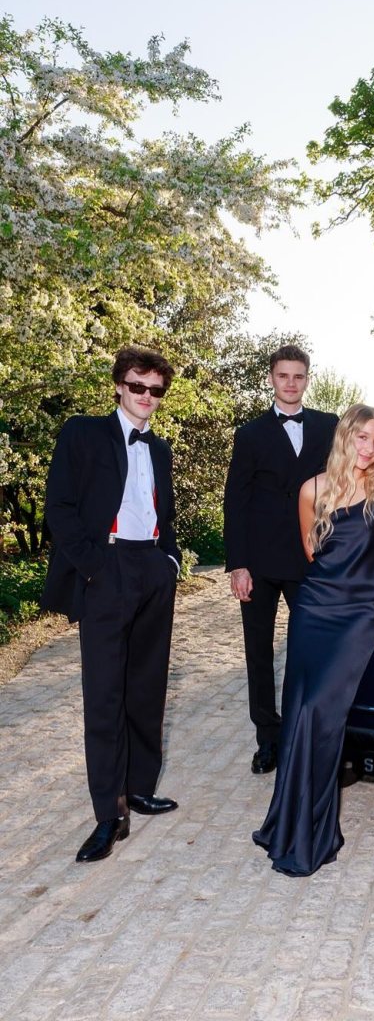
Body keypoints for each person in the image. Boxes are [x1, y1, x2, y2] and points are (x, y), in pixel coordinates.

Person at [223, 344, 374, 776]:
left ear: (307, 379)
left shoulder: (332, 425)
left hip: (316, 562)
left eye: (298, 376)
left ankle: (334, 740)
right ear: (272, 378)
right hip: (260, 558)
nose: (291, 383)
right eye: (283, 376)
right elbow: (234, 501)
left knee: (325, 659)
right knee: (258, 653)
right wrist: (238, 563)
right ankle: (268, 739)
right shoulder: (249, 434)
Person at [252, 404, 374, 875]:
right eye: (363, 439)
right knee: (298, 712)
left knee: (320, 713)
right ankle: (288, 824)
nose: (370, 449)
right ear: (344, 438)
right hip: (313, 609)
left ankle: (313, 832)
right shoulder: (311, 489)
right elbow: (313, 551)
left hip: (359, 614)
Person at [41, 345, 181, 863]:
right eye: (138, 386)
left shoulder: (160, 449)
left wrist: (170, 560)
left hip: (151, 570)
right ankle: (108, 813)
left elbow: (163, 512)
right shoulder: (83, 433)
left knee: (147, 687)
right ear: (119, 385)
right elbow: (59, 506)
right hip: (107, 569)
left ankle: (139, 787)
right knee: (104, 696)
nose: (147, 397)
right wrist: (94, 568)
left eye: (156, 390)